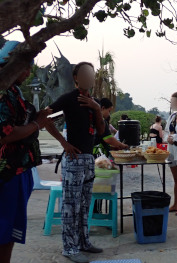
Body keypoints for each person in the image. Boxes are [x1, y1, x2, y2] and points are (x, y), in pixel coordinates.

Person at [45, 62, 105, 263]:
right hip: (73, 159)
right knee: (71, 206)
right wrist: (64, 143)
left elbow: (102, 131)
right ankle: (69, 249)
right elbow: (44, 118)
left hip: (89, 159)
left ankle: (83, 242)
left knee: (85, 204)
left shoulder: (94, 102)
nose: (89, 77)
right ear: (76, 78)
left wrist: (97, 109)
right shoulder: (68, 99)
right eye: (85, 74)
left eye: (92, 74)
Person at [0, 41, 51, 263]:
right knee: (4, 229)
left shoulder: (14, 90)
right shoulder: (2, 91)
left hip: (19, 170)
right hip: (7, 173)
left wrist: (35, 118)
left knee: (10, 229)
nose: (28, 72)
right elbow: (5, 134)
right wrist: (36, 125)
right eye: (25, 66)